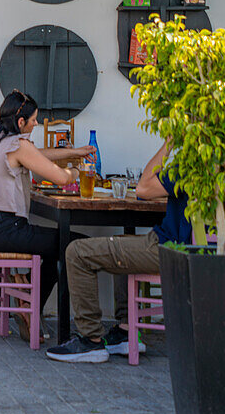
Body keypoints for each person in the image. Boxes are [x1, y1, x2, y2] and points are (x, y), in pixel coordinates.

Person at [47, 139, 190, 363]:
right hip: (200, 253)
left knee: (76, 252)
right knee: (126, 241)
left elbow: (143, 188)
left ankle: (91, 341)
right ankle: (125, 331)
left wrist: (169, 144)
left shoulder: (189, 171)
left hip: (168, 249)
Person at [0, 90, 95, 335]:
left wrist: (73, 152)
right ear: (20, 122)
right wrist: (82, 172)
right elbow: (60, 178)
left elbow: (38, 156)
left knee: (56, 245)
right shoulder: (18, 144)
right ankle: (71, 326)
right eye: (34, 120)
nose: (36, 123)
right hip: (4, 230)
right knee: (75, 245)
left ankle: (29, 301)